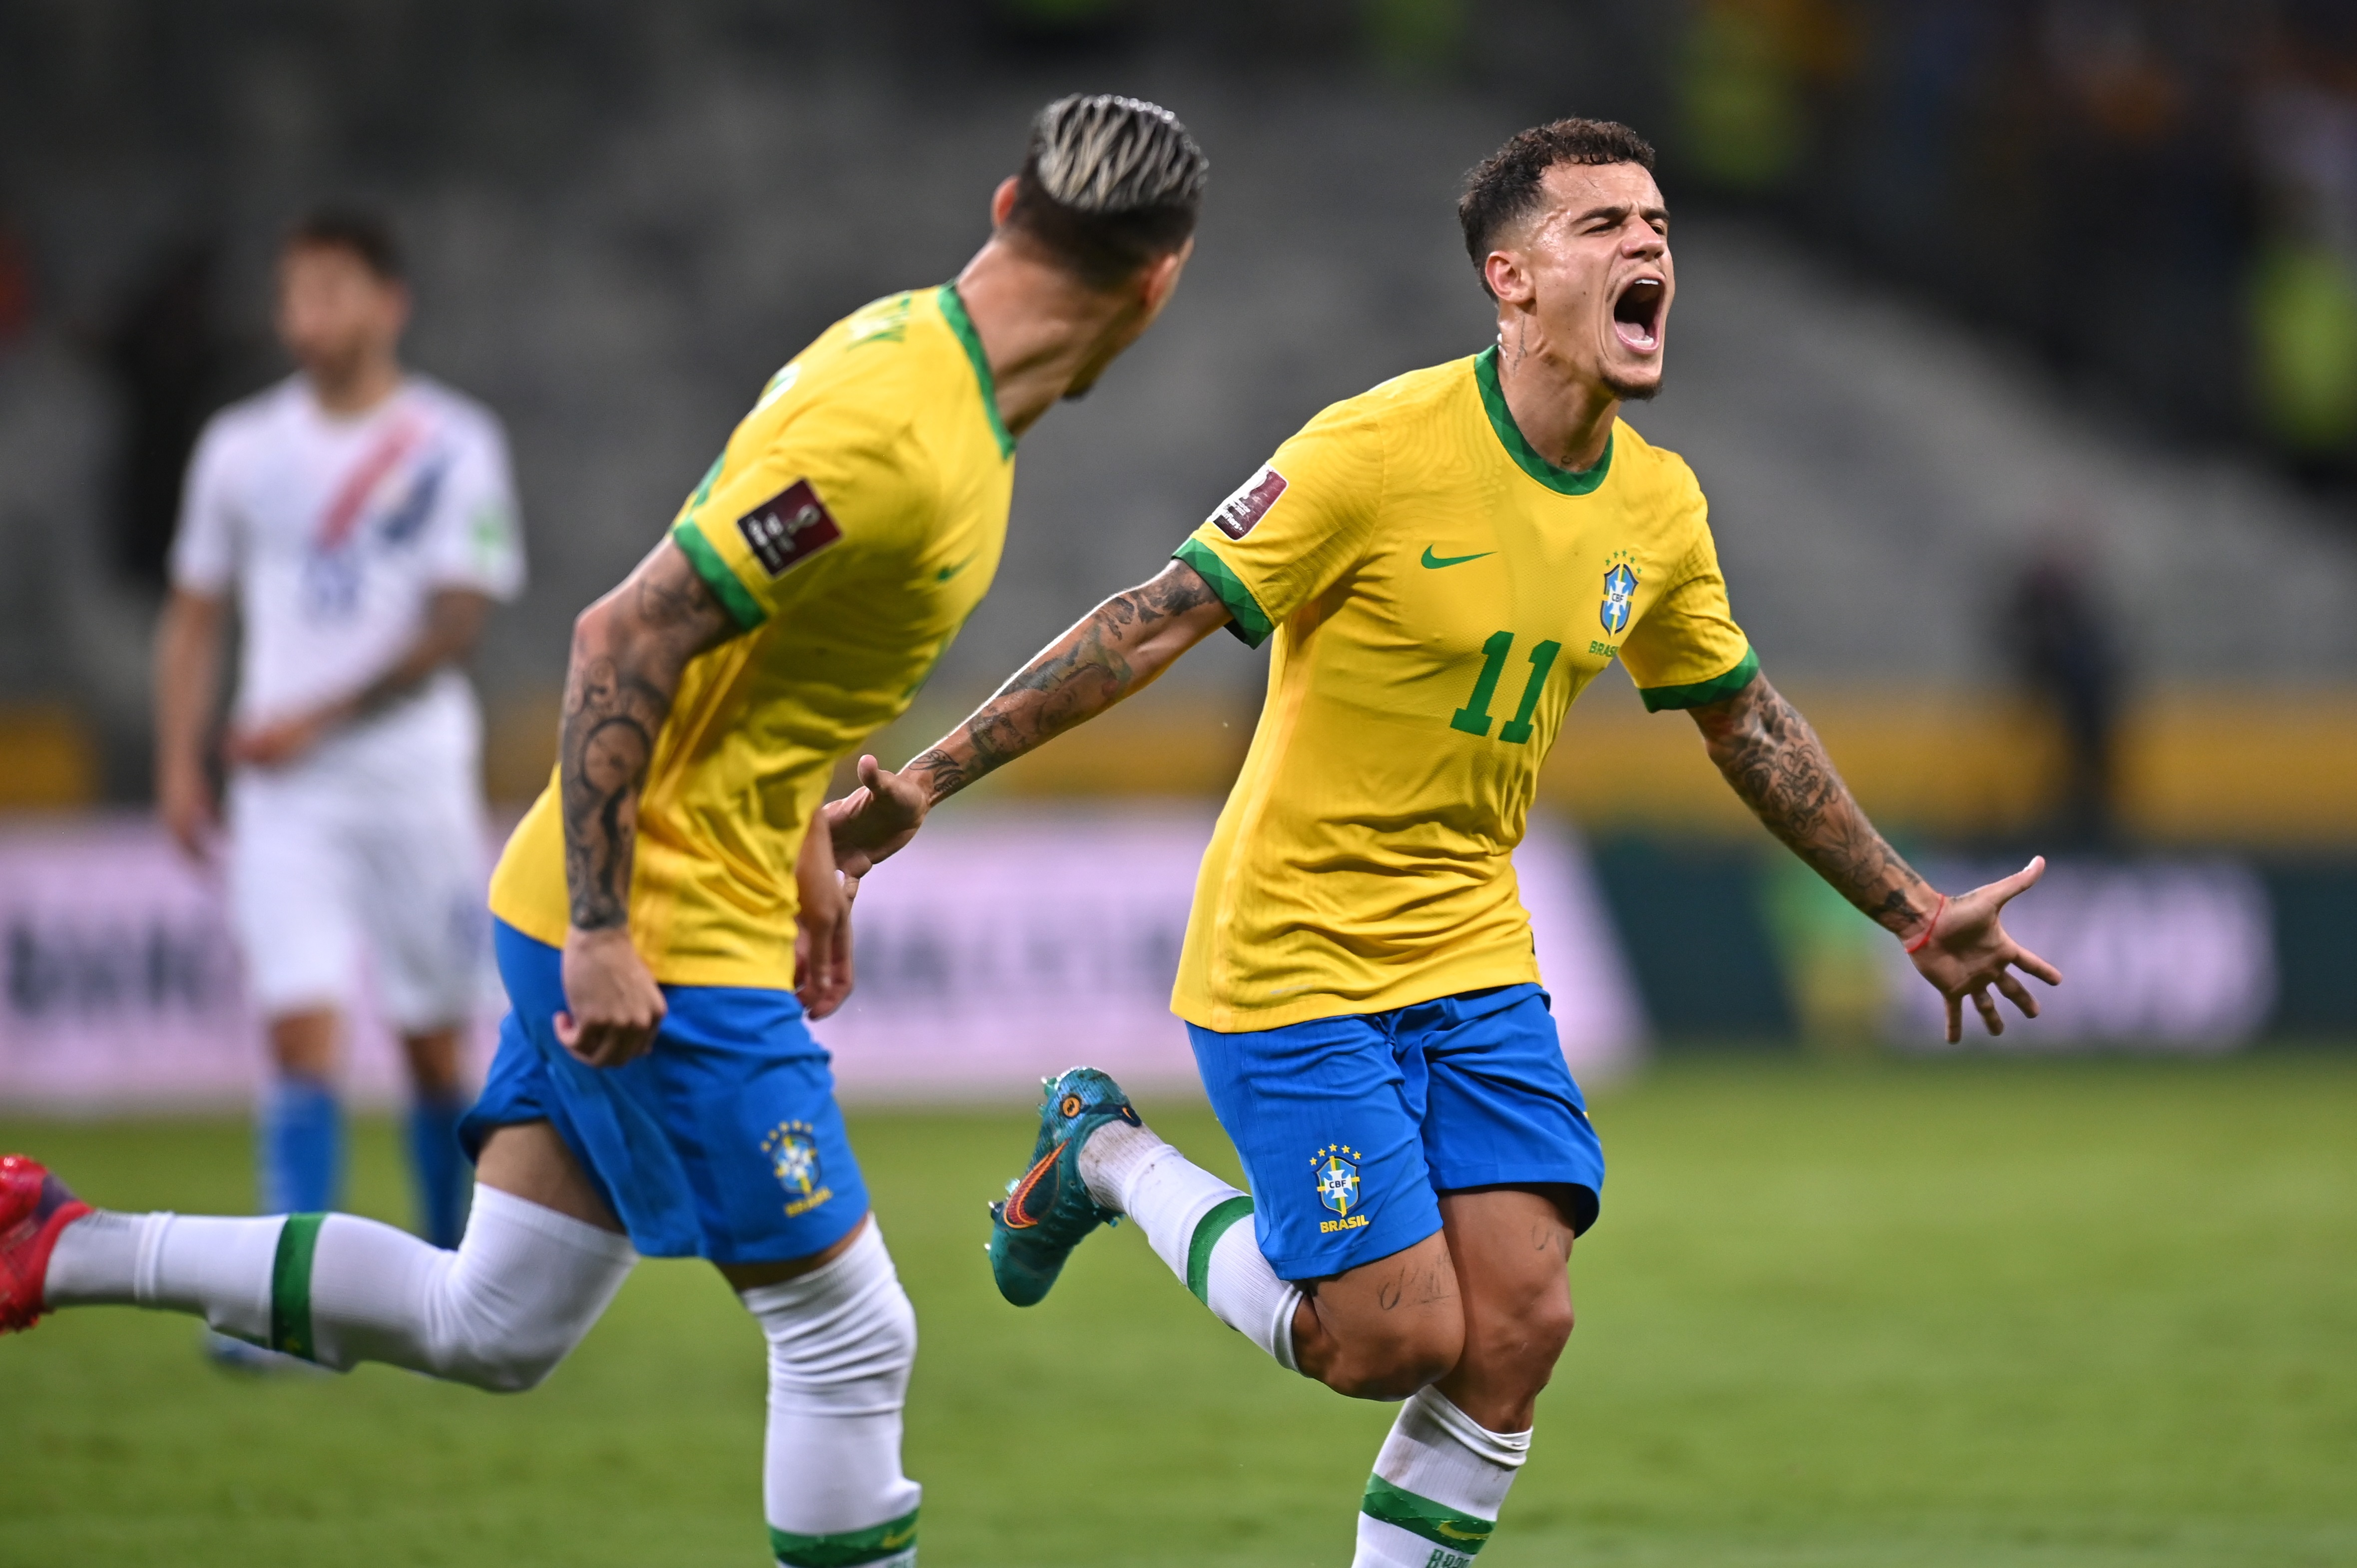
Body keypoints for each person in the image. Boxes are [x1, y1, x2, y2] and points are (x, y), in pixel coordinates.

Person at [827, 118, 2062, 1568]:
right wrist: (929, 777)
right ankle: (1100, 1153)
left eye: (1658, 222)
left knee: (1521, 1327)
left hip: (1472, 945)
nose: (1649, 244)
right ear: (1512, 279)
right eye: (1603, 227)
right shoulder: (1374, 449)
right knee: (1386, 1340)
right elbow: (1156, 616)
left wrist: (1914, 911)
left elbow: (1747, 724)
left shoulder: (1658, 507)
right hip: (1293, 949)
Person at [2, 94, 1209, 1568]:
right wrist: (604, 928)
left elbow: (767, 655)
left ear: (1009, 203)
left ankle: (56, 1242)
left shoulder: (926, 372)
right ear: (1162, 281)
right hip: (658, 932)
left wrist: (804, 837)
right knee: (848, 1335)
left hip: (677, 890)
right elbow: (622, 631)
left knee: (495, 1318)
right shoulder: (896, 426)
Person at [152, 211, 524, 1286]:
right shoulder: (239, 448)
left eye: (328, 290)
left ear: (386, 302)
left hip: (411, 775)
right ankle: (294, 1295)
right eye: (292, 294)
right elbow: (192, 614)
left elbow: (458, 617)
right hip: (285, 793)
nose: (305, 315)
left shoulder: (454, 441)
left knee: (430, 1042)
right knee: (298, 1029)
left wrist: (316, 714)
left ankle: (456, 1269)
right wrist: (181, 761)